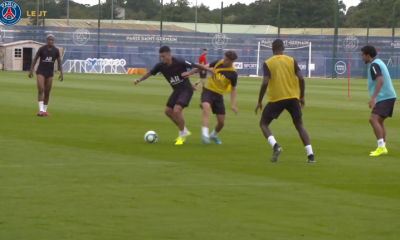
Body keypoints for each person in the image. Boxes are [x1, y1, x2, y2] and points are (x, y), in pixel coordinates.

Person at [134, 46, 213, 145]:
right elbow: (149, 73)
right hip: (176, 91)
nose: (162, 59)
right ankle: (184, 129)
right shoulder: (160, 66)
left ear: (169, 55)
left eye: (163, 56)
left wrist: (195, 72)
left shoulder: (180, 62)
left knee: (177, 110)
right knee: (168, 111)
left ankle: (181, 135)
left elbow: (196, 66)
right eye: (161, 57)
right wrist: (139, 80)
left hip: (186, 89)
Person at [255, 39, 315, 163]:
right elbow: (301, 79)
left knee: (263, 124)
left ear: (272, 49)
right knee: (299, 125)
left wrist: (260, 101)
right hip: (293, 97)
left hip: (277, 98)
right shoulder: (291, 60)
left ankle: (276, 146)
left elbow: (265, 82)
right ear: (283, 49)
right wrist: (302, 96)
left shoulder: (268, 63)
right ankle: (311, 156)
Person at [183, 51, 239, 145]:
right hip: (208, 91)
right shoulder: (218, 62)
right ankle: (205, 136)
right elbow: (202, 67)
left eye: (227, 60)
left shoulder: (233, 74)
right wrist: (190, 73)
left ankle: (213, 135)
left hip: (219, 96)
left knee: (221, 123)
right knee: (206, 108)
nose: (224, 61)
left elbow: (233, 90)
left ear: (232, 61)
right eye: (224, 58)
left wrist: (233, 105)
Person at [361, 45, 397, 156]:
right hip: (388, 96)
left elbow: (380, 80)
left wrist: (374, 98)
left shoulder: (374, 65)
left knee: (373, 119)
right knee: (380, 121)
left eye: (363, 55)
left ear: (368, 55)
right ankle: (383, 147)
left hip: (384, 97)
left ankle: (380, 147)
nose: (362, 57)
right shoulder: (379, 62)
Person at [29, 34, 63, 117]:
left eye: (52, 40)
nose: (51, 41)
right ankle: (40, 110)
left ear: (54, 41)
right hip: (41, 72)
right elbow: (35, 59)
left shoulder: (56, 51)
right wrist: (31, 70)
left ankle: (44, 111)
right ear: (47, 40)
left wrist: (61, 73)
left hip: (50, 73)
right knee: (41, 89)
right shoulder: (42, 49)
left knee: (47, 92)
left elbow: (59, 62)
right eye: (49, 40)